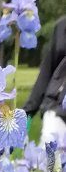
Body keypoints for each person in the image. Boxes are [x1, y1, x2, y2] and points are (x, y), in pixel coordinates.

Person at [23, 16, 66, 145]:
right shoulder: (62, 27)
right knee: (51, 163)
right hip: (56, 109)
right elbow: (46, 73)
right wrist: (26, 116)